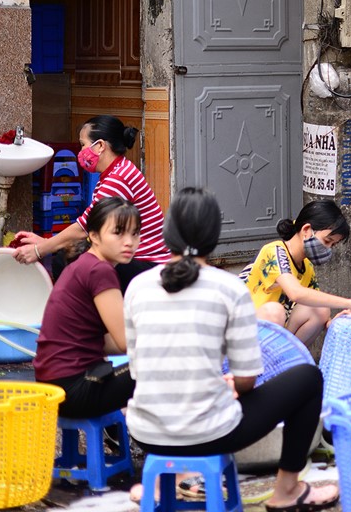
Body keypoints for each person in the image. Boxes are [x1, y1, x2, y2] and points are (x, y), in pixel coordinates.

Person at [124, 187, 340, 511]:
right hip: (209, 432)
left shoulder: (138, 286)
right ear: (214, 235)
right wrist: (230, 386)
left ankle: (162, 480)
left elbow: (138, 369)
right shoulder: (227, 288)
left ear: (167, 232)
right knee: (309, 379)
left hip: (145, 430)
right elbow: (248, 379)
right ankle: (287, 491)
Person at [12, 115, 171, 291]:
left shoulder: (118, 179)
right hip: (135, 258)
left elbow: (84, 227)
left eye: (83, 145)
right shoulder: (117, 171)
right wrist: (46, 242)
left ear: (100, 146)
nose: (81, 152)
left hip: (147, 264)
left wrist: (39, 249)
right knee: (70, 255)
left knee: (65, 262)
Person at [33, 197, 140, 418]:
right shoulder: (99, 271)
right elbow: (127, 341)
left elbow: (103, 342)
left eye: (134, 233)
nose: (129, 241)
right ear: (93, 235)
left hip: (53, 386)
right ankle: (175, 439)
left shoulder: (83, 265)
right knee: (161, 367)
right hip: (74, 387)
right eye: (118, 233)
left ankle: (119, 428)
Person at [239, 200, 351, 347]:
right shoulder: (274, 251)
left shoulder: (307, 267)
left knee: (320, 310)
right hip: (240, 333)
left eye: (333, 245)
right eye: (327, 241)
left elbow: (314, 306)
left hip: (269, 337)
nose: (328, 249)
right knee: (274, 311)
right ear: (306, 230)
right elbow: (296, 293)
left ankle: (285, 362)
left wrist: (337, 321)